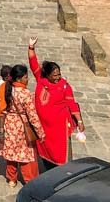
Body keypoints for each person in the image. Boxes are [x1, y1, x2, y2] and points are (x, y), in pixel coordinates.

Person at [28, 38, 84, 169]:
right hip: (44, 127)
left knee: (61, 155)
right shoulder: (40, 79)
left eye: (59, 74)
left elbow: (72, 104)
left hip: (59, 129)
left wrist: (80, 122)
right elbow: (33, 63)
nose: (57, 77)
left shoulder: (65, 86)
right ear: (46, 75)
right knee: (45, 152)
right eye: (54, 75)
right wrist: (31, 47)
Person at [1, 64, 45, 188]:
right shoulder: (25, 94)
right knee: (26, 154)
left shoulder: (7, 88)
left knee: (11, 153)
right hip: (22, 125)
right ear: (19, 79)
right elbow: (32, 116)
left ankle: (12, 179)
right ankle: (29, 180)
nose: (28, 79)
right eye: (26, 77)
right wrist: (40, 133)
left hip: (10, 123)